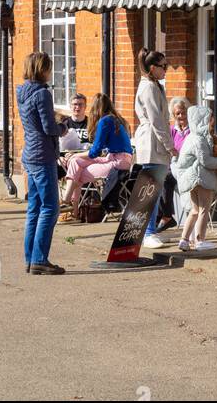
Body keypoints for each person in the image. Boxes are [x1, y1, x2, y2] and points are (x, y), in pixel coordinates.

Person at [17, 51, 69, 275]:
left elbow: (37, 122)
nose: (51, 71)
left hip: (30, 153)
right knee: (51, 208)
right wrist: (64, 127)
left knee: (34, 208)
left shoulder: (22, 92)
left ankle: (30, 258)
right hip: (43, 155)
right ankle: (40, 258)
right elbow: (49, 128)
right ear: (42, 69)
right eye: (49, 67)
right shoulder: (43, 94)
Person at [59, 94, 133, 223]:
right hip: (114, 158)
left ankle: (71, 210)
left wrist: (75, 154)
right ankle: (68, 206)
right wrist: (76, 157)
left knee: (78, 171)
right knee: (75, 162)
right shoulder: (115, 119)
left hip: (118, 162)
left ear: (95, 108)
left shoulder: (105, 121)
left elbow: (95, 152)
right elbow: (100, 149)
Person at [133, 49, 175, 249]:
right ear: (152, 68)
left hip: (155, 143)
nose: (166, 69)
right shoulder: (149, 87)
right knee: (150, 191)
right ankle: (147, 233)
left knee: (154, 190)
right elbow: (157, 121)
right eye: (163, 66)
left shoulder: (155, 85)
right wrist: (170, 145)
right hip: (152, 143)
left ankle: (150, 231)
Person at [175, 105, 217, 253]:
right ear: (202, 120)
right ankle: (200, 240)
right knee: (204, 209)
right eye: (209, 118)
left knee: (195, 210)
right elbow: (206, 162)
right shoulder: (198, 140)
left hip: (193, 179)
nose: (212, 121)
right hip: (200, 178)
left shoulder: (193, 137)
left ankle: (184, 240)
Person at [154, 96, 190, 232]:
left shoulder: (192, 131)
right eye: (177, 114)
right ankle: (161, 217)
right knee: (155, 178)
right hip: (173, 168)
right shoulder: (171, 130)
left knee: (165, 178)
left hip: (187, 170)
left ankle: (166, 217)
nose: (181, 116)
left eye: (183, 112)